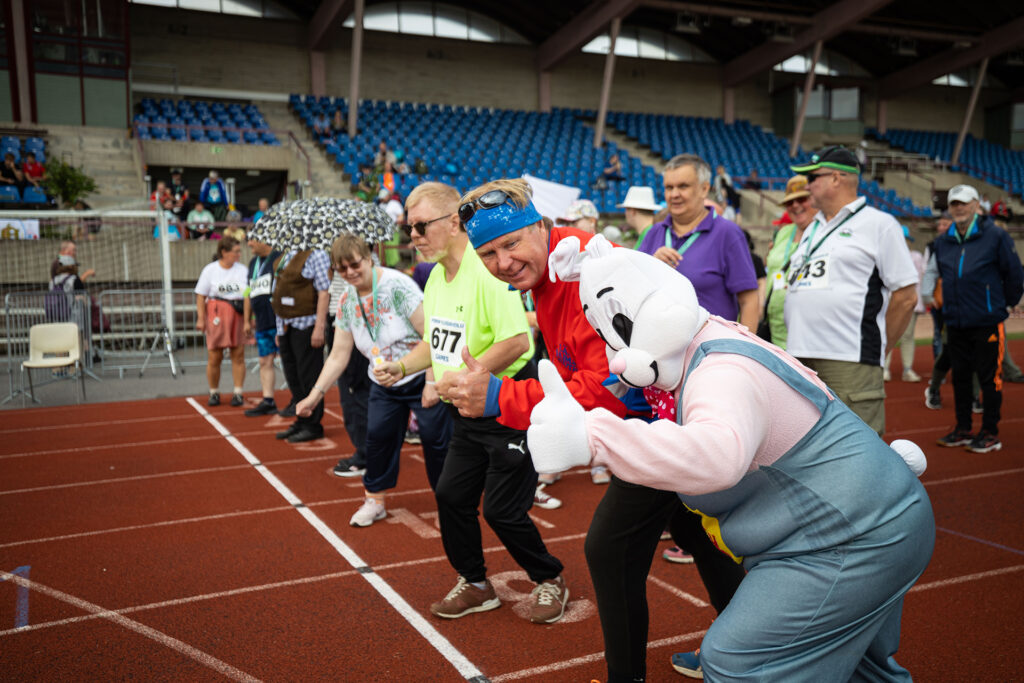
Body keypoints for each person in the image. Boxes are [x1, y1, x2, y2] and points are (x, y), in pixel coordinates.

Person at [526, 239, 935, 682]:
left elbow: (718, 458)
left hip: (851, 537)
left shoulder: (720, 370)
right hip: (867, 519)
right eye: (610, 336)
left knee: (738, 660)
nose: (620, 356)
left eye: (624, 328)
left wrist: (594, 438)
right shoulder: (702, 342)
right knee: (862, 669)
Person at [440, 178, 745, 680]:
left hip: (670, 415)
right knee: (694, 532)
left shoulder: (584, 267)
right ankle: (745, 653)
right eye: (488, 253)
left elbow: (606, 385)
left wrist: (499, 397)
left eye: (511, 243)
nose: (502, 263)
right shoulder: (544, 273)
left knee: (609, 548)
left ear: (541, 227)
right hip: (666, 414)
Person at [374, 181, 570, 625]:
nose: (415, 237)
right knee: (451, 494)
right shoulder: (437, 280)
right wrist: (403, 368)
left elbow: (518, 339)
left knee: (502, 509)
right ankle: (476, 583)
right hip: (465, 409)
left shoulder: (486, 271)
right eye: (410, 229)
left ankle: (550, 578)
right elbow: (436, 345)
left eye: (422, 226)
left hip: (507, 403)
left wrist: (471, 375)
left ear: (454, 224)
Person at [298, 233, 453, 526]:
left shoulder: (397, 286)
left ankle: (449, 501)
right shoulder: (345, 299)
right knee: (377, 438)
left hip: (420, 374)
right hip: (383, 382)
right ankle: (375, 501)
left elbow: (430, 334)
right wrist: (313, 396)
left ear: (369, 259)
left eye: (355, 264)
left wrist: (432, 381)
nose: (350, 273)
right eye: (342, 269)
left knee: (436, 440)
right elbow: (338, 354)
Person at [786, 145, 918, 435]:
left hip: (849, 359)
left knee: (855, 451)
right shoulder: (813, 228)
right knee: (808, 449)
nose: (807, 185)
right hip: (800, 357)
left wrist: (881, 348)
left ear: (836, 178)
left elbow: (907, 296)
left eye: (812, 177)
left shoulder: (879, 224)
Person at [924, 184, 1024, 453]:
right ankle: (963, 428)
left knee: (990, 379)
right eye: (954, 203)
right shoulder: (944, 241)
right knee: (961, 378)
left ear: (976, 205)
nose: (958, 208)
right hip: (955, 321)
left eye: (963, 203)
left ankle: (990, 432)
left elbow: (1014, 273)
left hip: (986, 321)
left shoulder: (995, 236)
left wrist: (1004, 304)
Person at [637, 153, 760, 331]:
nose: (674, 194)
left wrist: (745, 350)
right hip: (658, 350)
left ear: (704, 189)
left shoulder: (728, 233)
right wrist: (652, 266)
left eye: (683, 186)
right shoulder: (654, 233)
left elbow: (749, 300)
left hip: (710, 352)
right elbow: (633, 291)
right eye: (669, 187)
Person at [271, 243, 331, 443]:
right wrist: (278, 328)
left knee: (308, 376)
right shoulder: (288, 253)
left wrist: (319, 327)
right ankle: (301, 418)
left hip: (306, 324)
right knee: (293, 376)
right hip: (285, 324)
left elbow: (324, 291)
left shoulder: (317, 254)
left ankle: (313, 424)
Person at [194, 236, 248, 407]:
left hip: (237, 314)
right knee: (214, 356)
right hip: (216, 314)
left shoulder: (243, 270)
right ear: (224, 252)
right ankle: (214, 392)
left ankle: (238, 392)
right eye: (236, 252)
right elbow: (201, 296)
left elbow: (247, 296)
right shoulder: (210, 270)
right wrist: (201, 319)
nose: (239, 255)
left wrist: (248, 319)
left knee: (238, 354)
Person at [763, 175, 815, 349]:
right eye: (789, 202)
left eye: (802, 199)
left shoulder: (824, 233)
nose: (795, 205)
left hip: (807, 333)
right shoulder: (784, 232)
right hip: (774, 328)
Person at [242, 237, 284, 417]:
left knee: (289, 363)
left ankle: (300, 400)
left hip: (280, 321)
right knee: (264, 361)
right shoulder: (253, 263)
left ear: (264, 239)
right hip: (261, 322)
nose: (248, 244)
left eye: (251, 240)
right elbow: (247, 291)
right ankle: (268, 400)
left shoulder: (279, 258)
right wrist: (246, 319)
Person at [884, 226, 925, 383]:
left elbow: (919, 281)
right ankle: (884, 368)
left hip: (909, 302)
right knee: (886, 335)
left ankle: (907, 369)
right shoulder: (886, 256)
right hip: (889, 302)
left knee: (908, 336)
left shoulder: (916, 256)